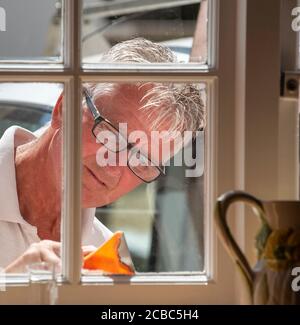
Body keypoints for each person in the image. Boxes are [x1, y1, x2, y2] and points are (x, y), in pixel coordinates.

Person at [0, 38, 205, 272]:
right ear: (64, 108)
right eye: (112, 136)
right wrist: (12, 284)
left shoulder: (106, 255)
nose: (113, 167)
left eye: (142, 161)